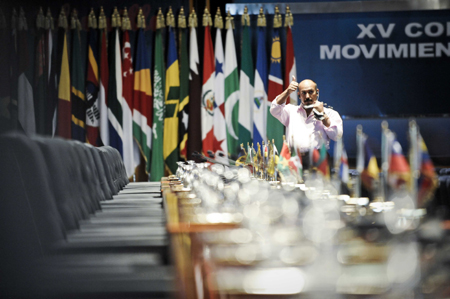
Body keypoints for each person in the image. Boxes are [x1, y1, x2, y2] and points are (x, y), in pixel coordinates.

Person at [270, 76, 343, 169]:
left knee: (318, 184)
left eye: (311, 92)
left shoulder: (330, 113)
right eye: (303, 93)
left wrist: (323, 116)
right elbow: (274, 109)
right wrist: (287, 91)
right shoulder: (291, 111)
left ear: (317, 92)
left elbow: (337, 136)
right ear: (299, 95)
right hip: (294, 158)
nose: (307, 96)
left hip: (318, 158)